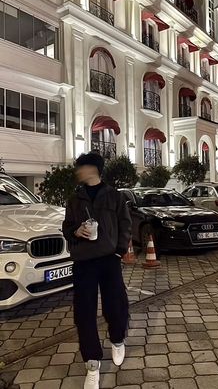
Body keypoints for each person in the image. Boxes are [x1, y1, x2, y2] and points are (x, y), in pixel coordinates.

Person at [62, 152, 131, 389]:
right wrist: (74, 232)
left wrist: (119, 251)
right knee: (84, 313)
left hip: (109, 259)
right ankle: (92, 363)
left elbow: (125, 225)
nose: (78, 172)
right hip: (83, 261)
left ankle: (117, 339)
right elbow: (67, 226)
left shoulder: (114, 196)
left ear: (93, 169)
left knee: (115, 304)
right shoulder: (75, 199)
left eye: (81, 167)